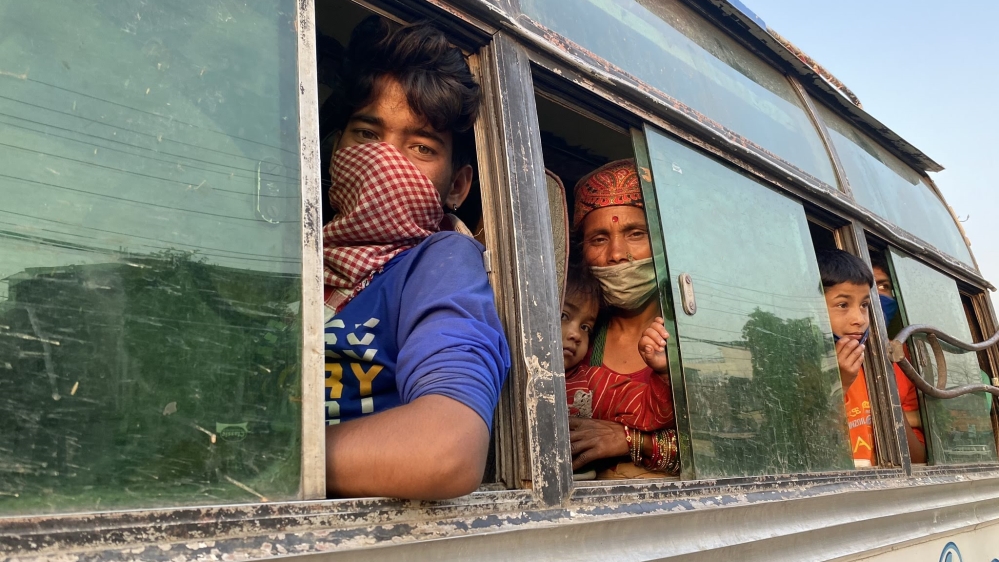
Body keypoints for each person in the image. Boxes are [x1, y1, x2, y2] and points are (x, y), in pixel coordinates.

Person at [322, 17, 511, 500]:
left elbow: (445, 449)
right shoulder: (290, 254)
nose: (385, 161)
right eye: (367, 135)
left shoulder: (441, 263)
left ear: (457, 186)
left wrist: (257, 456)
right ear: (334, 150)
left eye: (421, 147)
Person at [566, 159, 679, 478]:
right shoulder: (573, 338)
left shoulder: (694, 335)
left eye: (636, 234)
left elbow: (727, 449)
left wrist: (630, 441)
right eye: (599, 239)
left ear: (664, 242)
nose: (617, 254)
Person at [816, 250, 926, 466]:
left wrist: (886, 396)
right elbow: (809, 453)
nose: (859, 319)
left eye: (864, 305)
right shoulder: (804, 366)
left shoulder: (891, 364)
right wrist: (840, 384)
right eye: (842, 305)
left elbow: (916, 459)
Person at [561, 268, 675, 432]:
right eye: (563, 316)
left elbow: (650, 412)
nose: (576, 335)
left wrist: (664, 371)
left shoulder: (593, 384)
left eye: (585, 327)